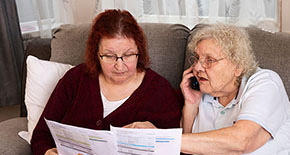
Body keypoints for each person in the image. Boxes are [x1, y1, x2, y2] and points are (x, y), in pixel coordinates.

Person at [31, 9, 181, 155]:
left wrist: (156, 136)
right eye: (109, 56)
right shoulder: (75, 79)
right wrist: (48, 152)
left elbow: (175, 147)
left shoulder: (159, 91)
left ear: (139, 52)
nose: (120, 66)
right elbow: (41, 135)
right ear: (96, 54)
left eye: (128, 55)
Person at [180, 25, 290, 154]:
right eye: (197, 58)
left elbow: (242, 141)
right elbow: (188, 149)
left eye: (210, 60)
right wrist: (191, 106)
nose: (198, 67)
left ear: (238, 66)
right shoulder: (204, 93)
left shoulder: (265, 83)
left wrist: (167, 140)